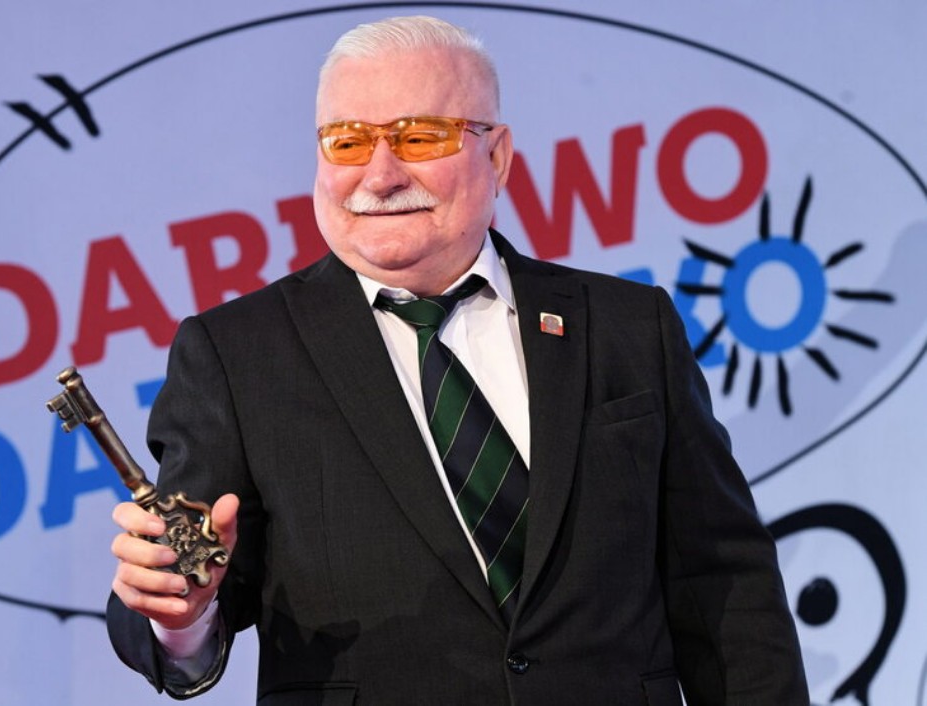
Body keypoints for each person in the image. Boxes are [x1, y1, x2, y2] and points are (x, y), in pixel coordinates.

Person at [106, 15, 809, 705]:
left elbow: (724, 586)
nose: (379, 175)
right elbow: (188, 588)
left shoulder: (628, 326)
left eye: (418, 137)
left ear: (496, 156)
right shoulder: (237, 355)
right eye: (347, 142)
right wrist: (179, 613)